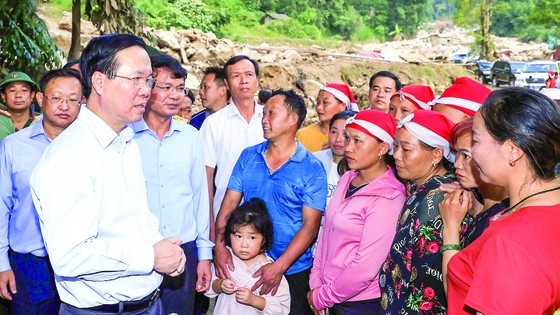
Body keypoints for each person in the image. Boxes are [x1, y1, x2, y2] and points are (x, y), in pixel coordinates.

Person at [29, 33, 186, 314]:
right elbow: (70, 256)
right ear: (99, 82)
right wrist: (150, 256)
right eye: (135, 79)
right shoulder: (70, 156)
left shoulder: (126, 141)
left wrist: (162, 247)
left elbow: (135, 217)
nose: (146, 90)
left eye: (148, 80)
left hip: (148, 303)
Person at [447, 88, 560, 314]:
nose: (473, 154)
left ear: (512, 150)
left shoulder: (511, 244)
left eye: (476, 141)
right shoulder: (547, 204)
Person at [214, 89, 327, 315]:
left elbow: (310, 226)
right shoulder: (248, 156)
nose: (264, 120)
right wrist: (219, 246)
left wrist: (278, 266)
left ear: (292, 119)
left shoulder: (312, 168)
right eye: (263, 113)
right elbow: (228, 206)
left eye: (271, 113)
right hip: (246, 264)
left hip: (292, 270)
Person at [132, 54, 212, 315]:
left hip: (183, 250)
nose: (175, 96)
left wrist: (203, 255)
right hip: (140, 251)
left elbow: (200, 197)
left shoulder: (190, 137)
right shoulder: (126, 136)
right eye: (165, 87)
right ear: (145, 87)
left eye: (179, 88)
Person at [0, 68, 82, 314]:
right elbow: (2, 206)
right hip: (30, 265)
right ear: (40, 99)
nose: (64, 106)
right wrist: (2, 262)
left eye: (73, 99)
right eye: (56, 98)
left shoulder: (93, 148)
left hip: (82, 264)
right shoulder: (14, 146)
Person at [308, 110, 406, 315]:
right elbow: (325, 232)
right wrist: (316, 282)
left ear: (382, 148)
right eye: (347, 138)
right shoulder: (347, 178)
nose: (348, 147)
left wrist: (322, 296)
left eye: (358, 141)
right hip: (325, 292)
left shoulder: (389, 197)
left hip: (356, 304)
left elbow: (365, 268)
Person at [379, 110, 459, 314]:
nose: (395, 155)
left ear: (436, 154)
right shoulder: (419, 188)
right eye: (396, 146)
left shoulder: (437, 200)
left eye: (406, 149)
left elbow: (427, 284)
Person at [437, 117, 508, 294]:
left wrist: (451, 227)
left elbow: (456, 293)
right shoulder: (488, 206)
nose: (456, 164)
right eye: (456, 154)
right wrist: (477, 209)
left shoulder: (503, 220)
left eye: (467, 156)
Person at [200, 55, 265, 233]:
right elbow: (205, 178)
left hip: (268, 219)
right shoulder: (213, 124)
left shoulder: (270, 118)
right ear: (227, 85)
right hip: (226, 218)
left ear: (257, 81)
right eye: (236, 76)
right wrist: (210, 227)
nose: (244, 81)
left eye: (249, 75)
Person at [207, 198, 290, 314]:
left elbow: (281, 309)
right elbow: (209, 286)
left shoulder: (270, 271)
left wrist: (254, 300)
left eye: (252, 238)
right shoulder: (227, 259)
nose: (244, 245)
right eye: (238, 236)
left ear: (264, 239)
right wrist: (220, 285)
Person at [296, 83, 357, 152]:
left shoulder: (356, 137)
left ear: (342, 106)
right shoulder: (303, 136)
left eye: (325, 102)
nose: (319, 107)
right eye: (318, 102)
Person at [313, 110, 356, 206]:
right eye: (334, 132)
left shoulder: (360, 170)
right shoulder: (313, 160)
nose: (338, 139)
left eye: (345, 135)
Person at [0, 71, 39, 141]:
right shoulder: (1, 120)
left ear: (32, 95)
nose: (18, 95)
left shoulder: (42, 121)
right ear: (3, 96)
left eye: (24, 90)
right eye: (12, 90)